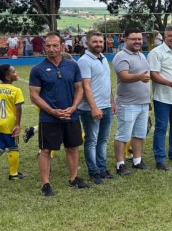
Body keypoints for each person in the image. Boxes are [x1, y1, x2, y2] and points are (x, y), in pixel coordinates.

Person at [29, 32, 87, 196]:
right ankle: (45, 184)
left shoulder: (72, 66)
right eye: (48, 46)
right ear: (44, 47)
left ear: (62, 46)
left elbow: (79, 88)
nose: (51, 49)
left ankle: (73, 178)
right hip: (49, 118)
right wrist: (52, 111)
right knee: (46, 151)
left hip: (71, 115)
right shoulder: (38, 69)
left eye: (55, 45)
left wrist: (74, 107)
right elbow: (34, 95)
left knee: (73, 147)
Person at [77, 31, 116, 184]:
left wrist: (111, 101)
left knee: (103, 140)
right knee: (92, 140)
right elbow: (85, 86)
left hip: (106, 107)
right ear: (87, 43)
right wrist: (94, 107)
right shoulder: (84, 61)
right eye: (95, 42)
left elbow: (106, 83)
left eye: (101, 41)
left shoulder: (104, 58)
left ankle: (102, 168)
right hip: (90, 109)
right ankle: (93, 172)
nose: (99, 44)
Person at [112, 27, 153, 175]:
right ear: (125, 39)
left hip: (142, 103)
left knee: (139, 134)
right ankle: (120, 164)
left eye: (139, 39)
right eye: (134, 39)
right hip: (127, 103)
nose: (137, 41)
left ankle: (137, 160)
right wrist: (139, 77)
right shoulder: (121, 56)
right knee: (123, 135)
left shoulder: (141, 55)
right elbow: (123, 76)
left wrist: (147, 101)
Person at [148, 25, 172, 170]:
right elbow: (153, 74)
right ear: (165, 37)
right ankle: (160, 159)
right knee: (161, 128)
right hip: (163, 98)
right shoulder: (156, 53)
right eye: (170, 36)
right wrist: (169, 83)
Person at [0, 64, 25, 180]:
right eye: (14, 72)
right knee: (13, 148)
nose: (17, 73)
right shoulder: (16, 90)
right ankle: (13, 174)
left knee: (1, 145)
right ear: (8, 77)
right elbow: (18, 108)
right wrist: (17, 125)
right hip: (9, 123)